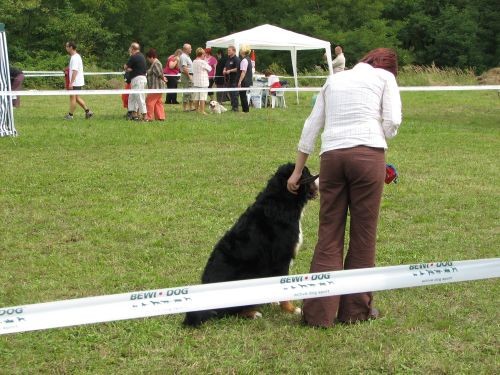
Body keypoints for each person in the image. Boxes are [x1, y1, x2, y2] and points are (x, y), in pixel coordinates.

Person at [287, 48, 402, 327]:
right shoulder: (385, 78)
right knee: (364, 234)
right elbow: (393, 122)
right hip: (368, 156)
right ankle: (355, 311)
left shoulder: (334, 79)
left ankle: (317, 314)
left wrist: (298, 171)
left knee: (329, 233)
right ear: (387, 66)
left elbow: (311, 125)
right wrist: (375, 135)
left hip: (332, 157)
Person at [64, 41, 93, 120]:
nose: (66, 48)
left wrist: (71, 83)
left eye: (67, 46)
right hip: (77, 82)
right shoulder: (75, 57)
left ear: (71, 47)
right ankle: (88, 112)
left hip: (75, 82)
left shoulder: (75, 58)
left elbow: (75, 71)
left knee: (72, 98)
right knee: (76, 98)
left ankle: (70, 115)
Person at [124, 42, 147, 121]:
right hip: (140, 78)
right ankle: (133, 114)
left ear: (132, 49)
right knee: (132, 97)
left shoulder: (133, 56)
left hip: (138, 79)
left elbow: (126, 67)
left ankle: (144, 116)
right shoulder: (141, 56)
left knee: (139, 97)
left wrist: (128, 68)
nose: (129, 50)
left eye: (130, 49)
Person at [145, 48, 167, 121]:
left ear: (151, 57)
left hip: (156, 87)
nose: (148, 60)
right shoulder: (155, 63)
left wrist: (163, 78)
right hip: (157, 87)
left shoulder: (156, 63)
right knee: (158, 102)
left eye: (148, 58)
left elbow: (159, 73)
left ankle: (149, 117)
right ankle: (160, 117)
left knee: (149, 101)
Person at [192, 47, 212, 115]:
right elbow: (210, 69)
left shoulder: (194, 61)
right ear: (202, 54)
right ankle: (202, 111)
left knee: (196, 97)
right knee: (202, 97)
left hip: (196, 81)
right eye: (204, 54)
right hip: (203, 82)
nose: (205, 55)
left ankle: (197, 110)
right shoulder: (203, 62)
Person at [223, 46, 240, 112]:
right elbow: (225, 66)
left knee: (234, 94)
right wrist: (224, 70)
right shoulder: (228, 59)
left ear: (234, 51)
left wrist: (230, 70)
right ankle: (233, 107)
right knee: (231, 94)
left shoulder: (237, 59)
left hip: (235, 80)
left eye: (229, 50)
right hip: (229, 80)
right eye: (228, 50)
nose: (228, 51)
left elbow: (238, 69)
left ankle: (235, 108)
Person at [179, 43, 195, 112]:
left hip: (190, 75)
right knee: (186, 91)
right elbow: (184, 68)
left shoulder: (187, 56)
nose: (191, 49)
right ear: (186, 49)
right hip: (186, 76)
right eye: (190, 48)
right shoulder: (183, 56)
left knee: (191, 91)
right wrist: (189, 76)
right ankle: (185, 108)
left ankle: (191, 107)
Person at [237, 45, 253, 113]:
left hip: (244, 80)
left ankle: (245, 110)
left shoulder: (244, 60)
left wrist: (239, 81)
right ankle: (245, 110)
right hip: (247, 80)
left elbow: (243, 72)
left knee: (243, 95)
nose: (240, 51)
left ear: (243, 52)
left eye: (241, 50)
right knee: (243, 95)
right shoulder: (248, 59)